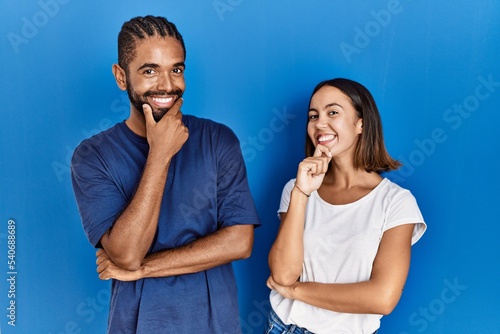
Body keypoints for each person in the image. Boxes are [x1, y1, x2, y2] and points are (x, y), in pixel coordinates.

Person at [70, 15, 260, 333]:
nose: (167, 85)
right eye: (149, 71)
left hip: (215, 324)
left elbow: (239, 242)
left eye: (176, 69)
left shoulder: (219, 140)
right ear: (121, 77)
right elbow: (126, 254)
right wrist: (159, 153)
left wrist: (144, 269)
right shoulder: (92, 156)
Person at [266, 78, 426, 334]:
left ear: (361, 123)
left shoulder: (396, 202)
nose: (319, 123)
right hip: (285, 327)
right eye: (313, 115)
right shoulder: (296, 188)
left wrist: (296, 291)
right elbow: (283, 275)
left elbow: (382, 298)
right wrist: (301, 193)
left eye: (332, 112)